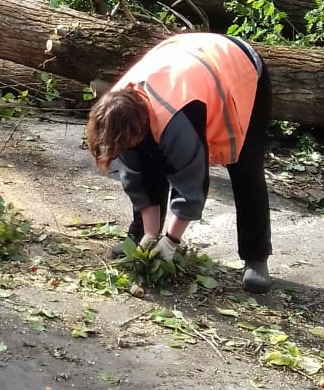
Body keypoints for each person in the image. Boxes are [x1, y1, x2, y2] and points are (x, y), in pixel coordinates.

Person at [85, 31, 273, 293]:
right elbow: (137, 176)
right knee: (147, 159)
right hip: (187, 58)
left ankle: (256, 257)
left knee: (245, 168)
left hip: (238, 66)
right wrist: (152, 237)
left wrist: (172, 241)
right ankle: (141, 235)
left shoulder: (175, 121)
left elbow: (191, 185)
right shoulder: (116, 111)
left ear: (141, 125)